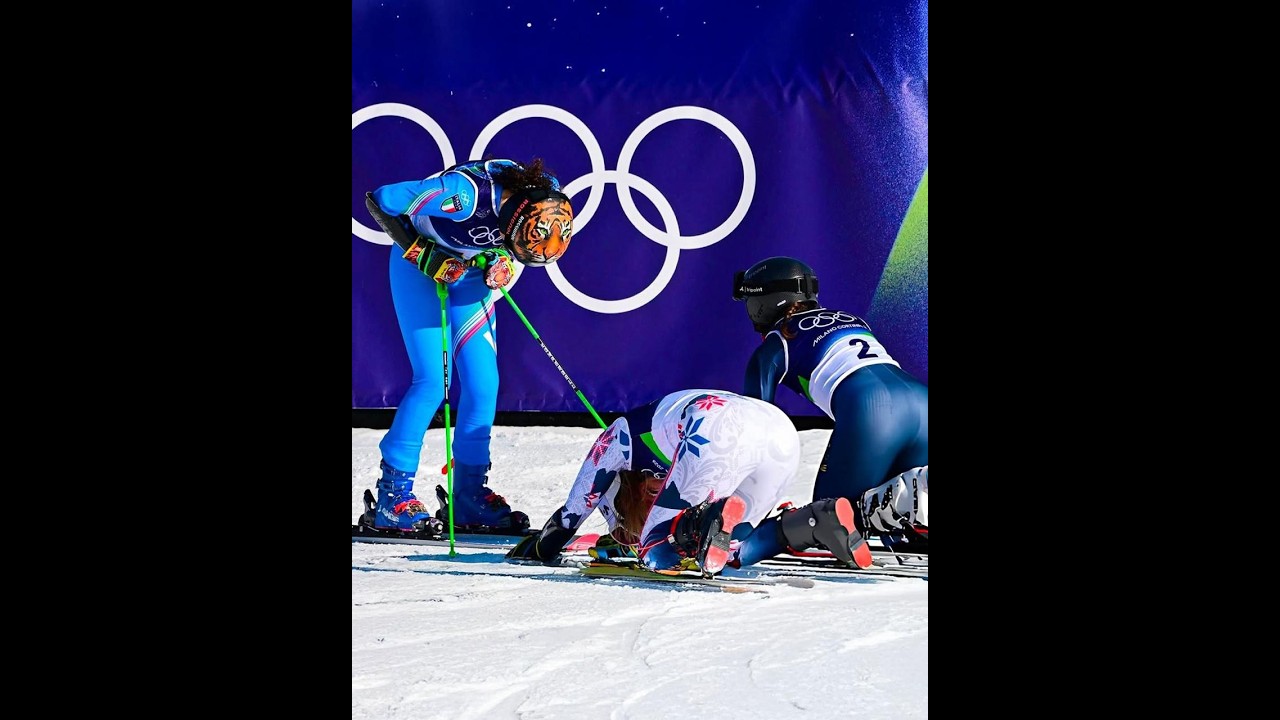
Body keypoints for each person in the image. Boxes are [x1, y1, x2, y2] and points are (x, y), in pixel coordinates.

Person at [360, 158, 575, 533]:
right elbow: (380, 199)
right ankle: (392, 497)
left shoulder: (545, 195)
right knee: (432, 382)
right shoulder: (463, 197)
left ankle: (468, 496)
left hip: (469, 273)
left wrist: (501, 258)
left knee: (483, 384)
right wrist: (422, 253)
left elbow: (509, 243)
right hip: (419, 270)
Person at [505, 389, 873, 574]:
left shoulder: (619, 437)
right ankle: (812, 523)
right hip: (780, 435)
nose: (629, 535)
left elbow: (575, 508)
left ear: (620, 496)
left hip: (715, 425)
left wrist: (540, 548)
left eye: (624, 528)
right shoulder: (658, 457)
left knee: (656, 550)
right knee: (729, 551)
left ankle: (705, 520)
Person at [730, 256, 929, 561]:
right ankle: (909, 510)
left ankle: (897, 506)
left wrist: (742, 514)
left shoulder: (777, 342)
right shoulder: (851, 318)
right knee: (881, 511)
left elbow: (757, 429)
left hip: (871, 409)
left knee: (825, 518)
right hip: (921, 401)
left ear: (764, 303)